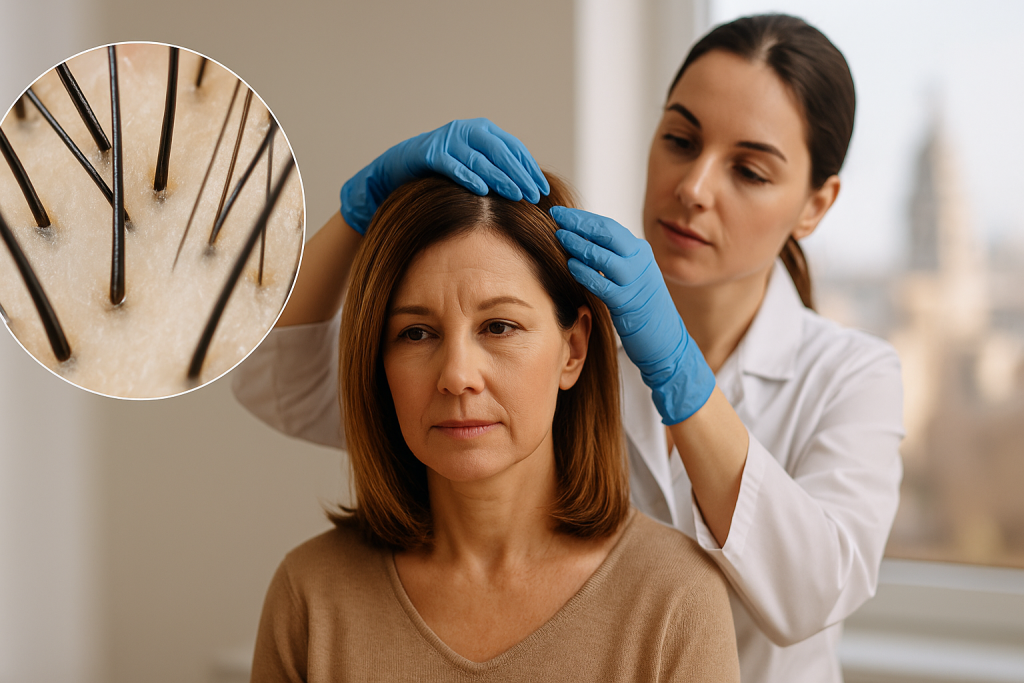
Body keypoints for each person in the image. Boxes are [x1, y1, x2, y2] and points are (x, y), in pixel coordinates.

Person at [234, 14, 903, 682]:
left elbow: (811, 595)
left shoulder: (852, 376)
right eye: (678, 139)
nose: (693, 188)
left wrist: (677, 372)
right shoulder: (539, 340)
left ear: (816, 205)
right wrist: (363, 206)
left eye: (750, 170)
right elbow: (274, 380)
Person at [249, 174, 740, 681]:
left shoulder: (675, 602)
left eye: (499, 327)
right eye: (416, 333)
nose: (457, 375)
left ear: (573, 350)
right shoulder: (310, 596)